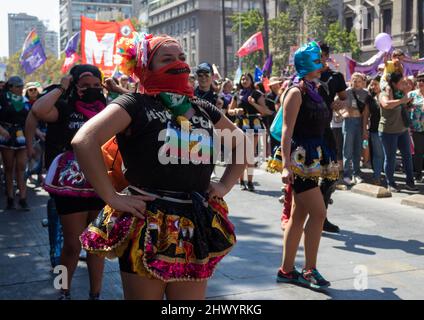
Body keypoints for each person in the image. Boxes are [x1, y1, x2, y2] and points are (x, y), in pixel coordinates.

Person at [75, 34, 246, 300]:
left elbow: (241, 143)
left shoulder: (203, 108)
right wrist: (111, 196)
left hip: (195, 219)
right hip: (147, 220)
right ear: (145, 68)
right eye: (167, 59)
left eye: (181, 58)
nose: (179, 64)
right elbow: (84, 141)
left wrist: (224, 185)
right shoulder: (134, 104)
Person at [31, 64, 107, 300]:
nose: (92, 89)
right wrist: (61, 88)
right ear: (74, 85)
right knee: (72, 245)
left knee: (96, 245)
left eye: (97, 85)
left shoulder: (108, 109)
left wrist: (118, 90)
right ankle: (63, 290)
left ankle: (95, 295)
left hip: (100, 178)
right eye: (85, 85)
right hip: (69, 181)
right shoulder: (64, 107)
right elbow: (39, 110)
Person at [277, 41, 338, 290]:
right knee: (319, 212)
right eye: (318, 59)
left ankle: (287, 270)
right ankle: (309, 269)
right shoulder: (295, 92)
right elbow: (286, 130)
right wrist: (285, 165)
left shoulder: (315, 88)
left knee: (299, 215)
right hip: (299, 162)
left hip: (313, 160)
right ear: (308, 63)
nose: (323, 62)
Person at [228, 73, 272, 191]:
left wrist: (253, 103)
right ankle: (242, 180)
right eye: (242, 79)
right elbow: (229, 111)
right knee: (241, 154)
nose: (244, 81)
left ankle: (250, 181)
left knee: (250, 155)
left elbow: (266, 111)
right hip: (241, 124)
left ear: (251, 81)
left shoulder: (257, 94)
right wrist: (236, 110)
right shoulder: (237, 94)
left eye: (246, 79)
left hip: (253, 124)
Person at [379, 72, 418, 192]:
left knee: (407, 157)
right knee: (390, 158)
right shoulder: (384, 93)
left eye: (405, 82)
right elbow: (386, 104)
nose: (404, 84)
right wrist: (402, 100)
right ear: (394, 84)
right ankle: (390, 183)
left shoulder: (403, 93)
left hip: (403, 130)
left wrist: (407, 99)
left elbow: (408, 105)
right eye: (402, 82)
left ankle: (410, 183)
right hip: (388, 131)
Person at [0, 76, 30, 210]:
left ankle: (23, 198)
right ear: (10, 87)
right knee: (8, 168)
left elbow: (30, 118)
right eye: (18, 86)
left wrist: (36, 134)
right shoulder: (2, 98)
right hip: (7, 134)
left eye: (21, 86)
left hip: (21, 135)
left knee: (21, 167)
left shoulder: (24, 100)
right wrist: (1, 130)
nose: (21, 88)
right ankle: (10, 198)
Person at [341, 72, 369, 186]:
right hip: (349, 122)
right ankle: (347, 175)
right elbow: (336, 104)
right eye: (354, 81)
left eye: (359, 81)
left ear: (362, 82)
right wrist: (343, 113)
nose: (357, 83)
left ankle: (357, 174)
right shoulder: (346, 92)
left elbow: (366, 112)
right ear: (351, 81)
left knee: (358, 149)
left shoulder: (366, 93)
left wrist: (365, 127)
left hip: (360, 122)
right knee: (347, 150)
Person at [363, 76, 384, 185]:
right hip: (375, 130)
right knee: (378, 154)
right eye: (372, 84)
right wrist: (364, 130)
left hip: (389, 130)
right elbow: (366, 115)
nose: (373, 86)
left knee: (386, 155)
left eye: (376, 84)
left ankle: (386, 177)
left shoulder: (387, 95)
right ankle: (377, 177)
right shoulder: (369, 98)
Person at [408, 72, 424, 182]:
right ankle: (418, 173)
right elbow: (405, 109)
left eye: (423, 81)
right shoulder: (411, 94)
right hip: (416, 127)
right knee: (418, 151)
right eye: (419, 80)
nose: (421, 83)